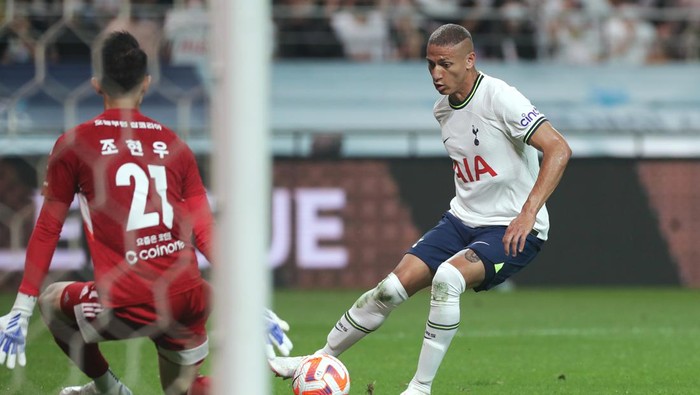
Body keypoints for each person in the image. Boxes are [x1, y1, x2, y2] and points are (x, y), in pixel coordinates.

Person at [269, 23, 571, 394]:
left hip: (513, 228)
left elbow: (558, 148)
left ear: (470, 60)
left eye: (445, 64)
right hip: (462, 219)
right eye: (430, 65)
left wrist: (528, 212)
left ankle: (420, 387)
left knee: (447, 279)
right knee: (388, 290)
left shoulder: (500, 98)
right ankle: (316, 358)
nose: (436, 74)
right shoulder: (443, 110)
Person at [0, 31, 292, 395]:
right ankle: (255, 383)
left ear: (95, 84)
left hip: (128, 299)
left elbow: (48, 228)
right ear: (147, 83)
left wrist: (21, 307)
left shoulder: (74, 145)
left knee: (50, 302)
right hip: (188, 295)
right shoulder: (174, 144)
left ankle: (109, 390)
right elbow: (204, 229)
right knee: (183, 391)